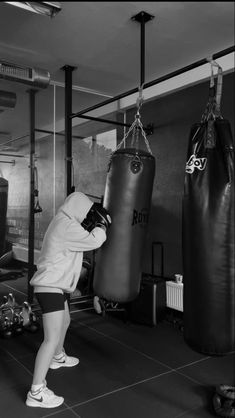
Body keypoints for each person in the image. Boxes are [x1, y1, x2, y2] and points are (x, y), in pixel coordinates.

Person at [26, 192, 111, 409]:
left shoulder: (66, 222)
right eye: (87, 212)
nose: (88, 216)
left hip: (57, 285)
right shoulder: (66, 226)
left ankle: (57, 357)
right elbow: (94, 241)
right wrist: (102, 226)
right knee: (50, 338)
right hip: (50, 287)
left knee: (65, 322)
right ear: (79, 209)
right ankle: (36, 391)